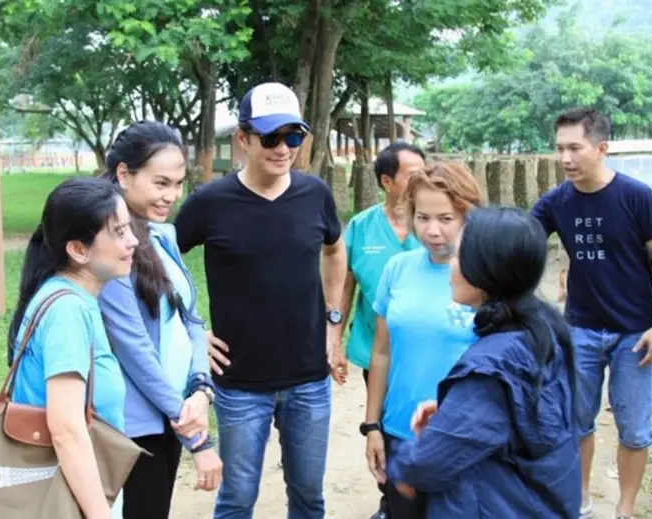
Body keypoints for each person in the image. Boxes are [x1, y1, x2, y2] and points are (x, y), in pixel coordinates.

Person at [174, 81, 347, 519]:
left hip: (309, 378)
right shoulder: (209, 203)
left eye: (293, 136)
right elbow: (158, 262)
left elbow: (334, 249)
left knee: (309, 497)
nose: (283, 148)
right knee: (237, 499)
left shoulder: (315, 195)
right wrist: (191, 330)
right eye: (270, 137)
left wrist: (332, 320)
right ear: (244, 139)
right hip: (238, 383)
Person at [387, 206, 582, 518]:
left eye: (458, 256)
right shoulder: (544, 328)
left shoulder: (491, 366)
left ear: (485, 271)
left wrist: (402, 465)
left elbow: (428, 464)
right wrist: (456, 409)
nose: (451, 265)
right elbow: (522, 415)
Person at [530, 108, 652, 519]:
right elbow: (520, 241)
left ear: (601, 148)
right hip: (580, 330)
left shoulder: (636, 196)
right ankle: (579, 500)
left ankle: (625, 509)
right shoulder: (555, 202)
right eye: (559, 149)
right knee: (576, 422)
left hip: (636, 333)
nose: (565, 158)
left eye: (574, 148)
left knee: (634, 429)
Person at [98, 121, 222, 519]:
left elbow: (191, 318)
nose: (171, 196)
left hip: (172, 414)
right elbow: (133, 347)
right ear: (123, 174)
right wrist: (196, 434)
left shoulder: (162, 235)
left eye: (178, 183)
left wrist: (201, 390)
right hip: (134, 426)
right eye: (160, 183)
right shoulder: (110, 246)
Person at [7, 176, 138, 519]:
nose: (133, 241)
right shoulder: (68, 311)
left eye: (130, 229)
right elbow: (66, 429)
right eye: (120, 232)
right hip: (66, 497)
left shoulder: (64, 296)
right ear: (78, 250)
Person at [362, 162, 482, 519]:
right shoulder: (397, 270)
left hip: (464, 438)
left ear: (467, 216)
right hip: (400, 433)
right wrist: (372, 426)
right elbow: (381, 353)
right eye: (422, 217)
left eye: (446, 219)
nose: (432, 231)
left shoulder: (485, 276)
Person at [338, 141, 426, 519]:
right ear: (388, 181)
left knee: (424, 422)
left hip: (427, 350)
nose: (423, 178)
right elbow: (346, 285)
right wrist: (334, 341)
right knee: (384, 423)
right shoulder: (361, 226)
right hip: (377, 349)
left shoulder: (432, 222)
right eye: (413, 174)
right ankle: (390, 498)